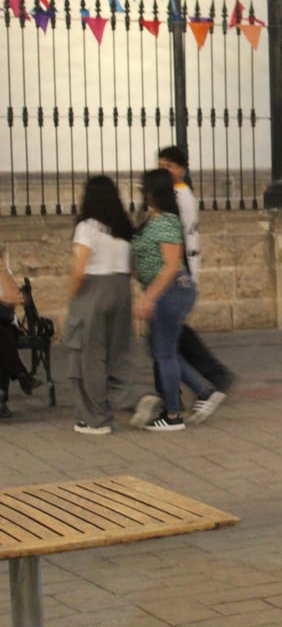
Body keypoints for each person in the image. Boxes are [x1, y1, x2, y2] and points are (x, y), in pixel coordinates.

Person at [66, 176, 163, 434]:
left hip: (94, 290)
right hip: (120, 289)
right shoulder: (122, 228)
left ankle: (96, 418)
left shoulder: (87, 227)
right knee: (118, 352)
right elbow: (133, 268)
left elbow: (79, 268)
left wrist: (73, 294)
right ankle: (138, 398)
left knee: (89, 355)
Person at [132, 169, 220, 431]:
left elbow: (171, 266)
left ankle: (172, 415)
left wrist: (149, 297)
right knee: (161, 351)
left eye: (145, 188)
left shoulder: (167, 222)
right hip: (164, 291)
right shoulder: (151, 219)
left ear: (152, 191)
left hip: (170, 291)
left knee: (165, 354)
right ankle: (202, 391)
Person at [155, 146, 232, 424]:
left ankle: (201, 387)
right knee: (170, 340)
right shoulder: (174, 195)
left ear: (181, 169)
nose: (164, 170)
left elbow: (178, 239)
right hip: (179, 274)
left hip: (179, 275)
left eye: (169, 166)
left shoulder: (179, 197)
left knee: (168, 342)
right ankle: (191, 387)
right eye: (160, 165)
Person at [0, 266, 42, 418]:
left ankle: (3, 397)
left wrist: (1, 270)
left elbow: (17, 298)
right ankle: (20, 374)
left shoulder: (3, 272)